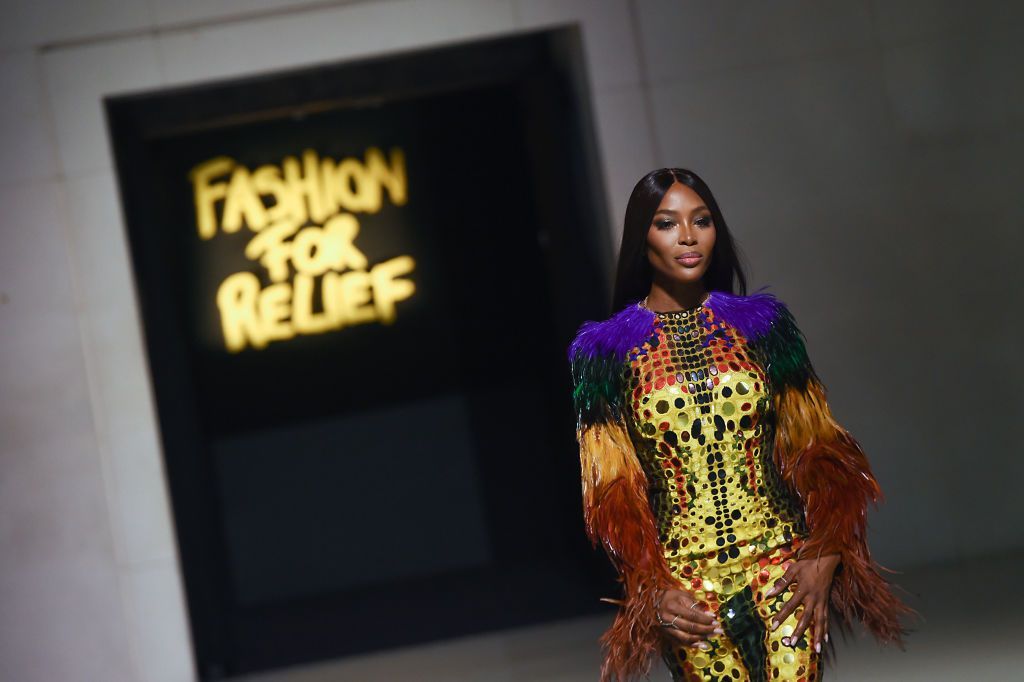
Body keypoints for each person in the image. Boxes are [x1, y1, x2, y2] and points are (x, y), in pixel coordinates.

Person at [567, 168, 915, 681]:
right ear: (642, 238)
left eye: (702, 220)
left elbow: (821, 449)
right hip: (687, 590)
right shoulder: (605, 354)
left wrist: (825, 551)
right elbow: (611, 493)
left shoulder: (761, 327)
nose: (688, 236)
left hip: (782, 565)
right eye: (667, 223)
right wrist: (650, 588)